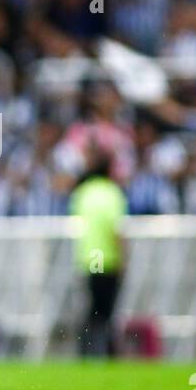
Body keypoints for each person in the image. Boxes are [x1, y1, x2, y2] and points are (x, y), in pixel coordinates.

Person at [69, 150, 127, 356]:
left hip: (88, 258)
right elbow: (116, 229)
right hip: (108, 259)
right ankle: (109, 353)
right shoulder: (113, 193)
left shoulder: (83, 192)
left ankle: (86, 351)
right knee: (107, 312)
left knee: (91, 310)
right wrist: (123, 259)